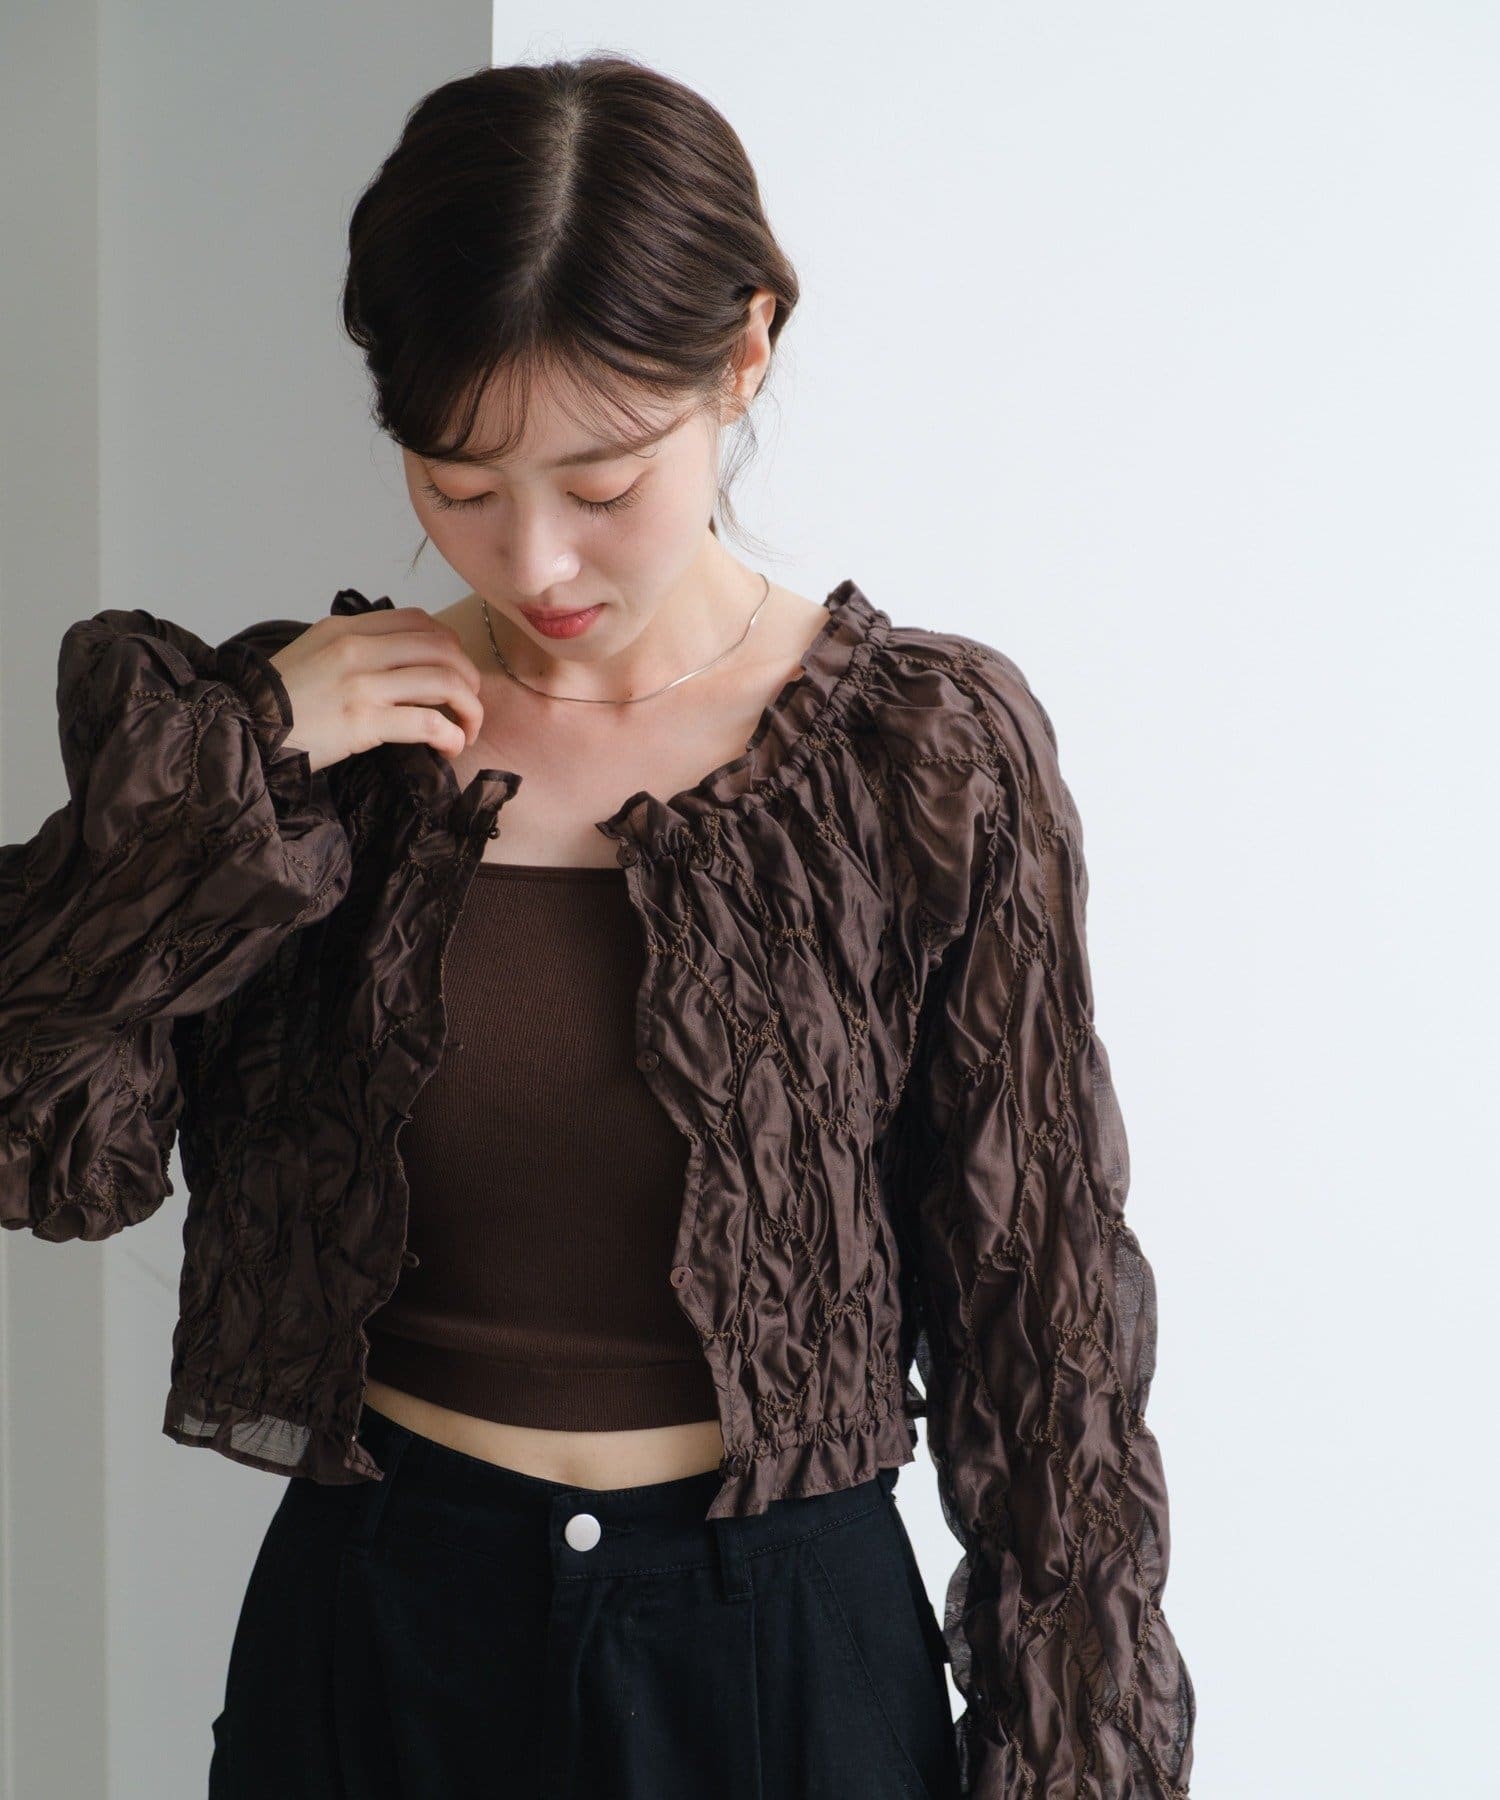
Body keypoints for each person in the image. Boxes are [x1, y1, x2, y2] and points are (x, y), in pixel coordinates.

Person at [0, 53, 1195, 1800]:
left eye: (605, 483)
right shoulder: (315, 763)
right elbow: (43, 1144)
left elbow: (1045, 1325)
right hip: (379, 1642)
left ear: (745, 356)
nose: (535, 562)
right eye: (458, 484)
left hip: (784, 1663)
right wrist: (229, 772)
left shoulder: (920, 759)